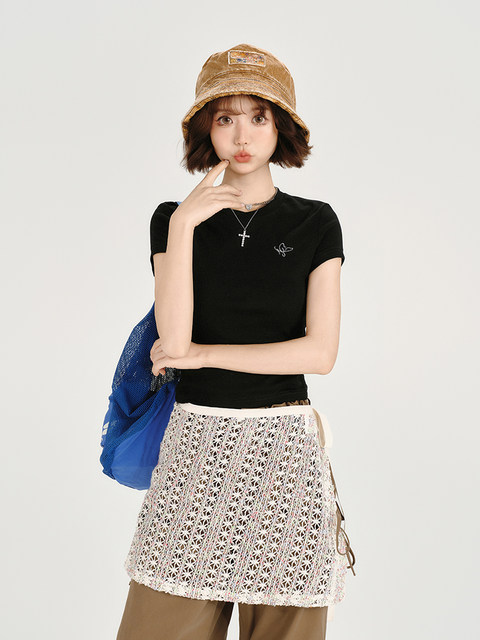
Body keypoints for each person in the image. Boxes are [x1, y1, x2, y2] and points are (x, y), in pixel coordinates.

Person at [116, 43, 354, 640]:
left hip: (283, 452)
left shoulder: (315, 222)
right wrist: (183, 224)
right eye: (225, 118)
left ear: (281, 127)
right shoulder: (172, 219)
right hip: (195, 444)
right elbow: (174, 338)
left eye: (259, 117)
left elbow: (320, 353)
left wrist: (204, 356)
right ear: (206, 129)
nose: (242, 135)